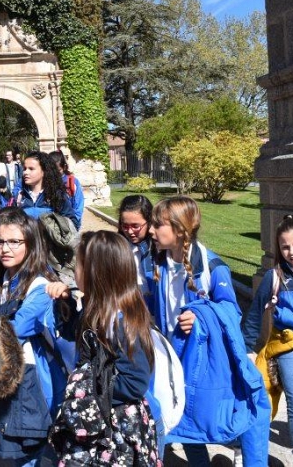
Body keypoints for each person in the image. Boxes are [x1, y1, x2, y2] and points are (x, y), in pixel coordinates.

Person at [150, 196, 268, 466]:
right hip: (173, 359)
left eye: (159, 225)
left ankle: (237, 443)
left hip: (205, 362)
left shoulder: (213, 267)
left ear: (180, 230)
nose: (151, 230)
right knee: (182, 421)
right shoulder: (158, 265)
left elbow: (231, 310)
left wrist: (200, 317)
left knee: (217, 414)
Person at [0, 208, 67, 465]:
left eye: (14, 242)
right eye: (0, 241)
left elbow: (15, 328)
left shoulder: (40, 285)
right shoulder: (7, 278)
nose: (5, 249)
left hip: (35, 381)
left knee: (29, 453)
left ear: (31, 245)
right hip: (14, 374)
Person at [50, 230, 158, 466]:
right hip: (97, 416)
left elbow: (135, 382)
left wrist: (87, 389)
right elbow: (73, 335)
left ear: (94, 273)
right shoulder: (94, 308)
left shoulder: (120, 321)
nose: (72, 270)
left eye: (76, 264)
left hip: (115, 427)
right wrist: (65, 302)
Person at [243, 214, 293, 451]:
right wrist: (247, 349)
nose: (291, 252)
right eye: (286, 247)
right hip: (286, 346)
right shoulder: (274, 278)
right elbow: (253, 315)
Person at [14, 151, 77, 228]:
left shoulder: (56, 196)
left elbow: (73, 223)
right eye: (24, 169)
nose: (25, 172)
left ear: (44, 171)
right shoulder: (19, 197)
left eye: (31, 169)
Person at [117, 194, 155, 310]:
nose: (130, 231)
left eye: (135, 226)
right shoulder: (118, 247)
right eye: (125, 226)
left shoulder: (158, 249)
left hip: (152, 311)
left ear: (149, 222)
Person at [49, 151, 85, 230]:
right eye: (51, 170)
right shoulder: (45, 182)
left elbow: (78, 204)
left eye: (58, 170)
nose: (54, 174)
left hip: (69, 224)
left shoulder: (72, 182)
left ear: (64, 167)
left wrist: (74, 223)